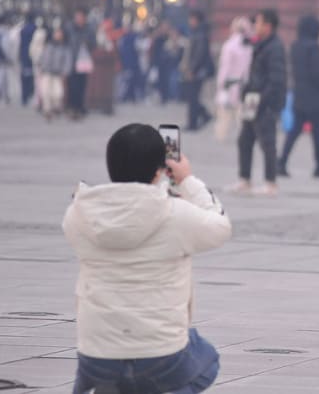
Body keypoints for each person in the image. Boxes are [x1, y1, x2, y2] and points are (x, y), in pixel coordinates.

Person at [63, 123, 231, 393]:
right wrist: (187, 180)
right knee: (206, 359)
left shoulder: (78, 213)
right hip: (160, 357)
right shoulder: (176, 214)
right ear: (160, 169)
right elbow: (220, 227)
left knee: (112, 374)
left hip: (95, 356)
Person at [231, 8, 287, 196]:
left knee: (267, 142)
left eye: (259, 23)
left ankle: (271, 183)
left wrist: (265, 99)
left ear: (268, 26)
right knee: (244, 140)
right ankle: (244, 179)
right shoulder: (261, 44)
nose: (255, 26)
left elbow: (276, 79)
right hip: (252, 98)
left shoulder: (274, 48)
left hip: (264, 101)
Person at [277, 14, 319, 178]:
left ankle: (282, 162)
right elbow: (316, 72)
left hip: (300, 95)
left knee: (294, 131)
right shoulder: (314, 47)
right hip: (315, 98)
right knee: (318, 134)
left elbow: (305, 65)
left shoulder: (296, 46)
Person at [215, 16, 253, 142]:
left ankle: (221, 136)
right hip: (248, 84)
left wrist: (220, 84)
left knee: (224, 114)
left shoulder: (229, 45)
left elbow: (225, 67)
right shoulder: (251, 45)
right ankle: (246, 137)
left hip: (230, 84)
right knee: (245, 116)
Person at [183, 11, 214, 131]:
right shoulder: (198, 33)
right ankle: (197, 120)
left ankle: (194, 122)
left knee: (192, 97)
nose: (190, 22)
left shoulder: (200, 34)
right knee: (193, 97)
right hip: (197, 70)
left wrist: (193, 69)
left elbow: (199, 54)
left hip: (197, 71)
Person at [36, 27, 72, 121]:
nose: (58, 35)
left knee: (58, 93)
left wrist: (65, 72)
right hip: (46, 72)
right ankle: (47, 110)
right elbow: (42, 57)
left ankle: (56, 107)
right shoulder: (48, 45)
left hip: (57, 73)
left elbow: (67, 61)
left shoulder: (64, 47)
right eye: (56, 33)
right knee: (45, 92)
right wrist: (40, 66)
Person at [67, 7, 96, 119]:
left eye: (80, 16)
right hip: (72, 60)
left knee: (81, 86)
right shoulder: (70, 28)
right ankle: (72, 108)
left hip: (83, 62)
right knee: (72, 86)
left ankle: (79, 107)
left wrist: (87, 44)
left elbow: (94, 43)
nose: (78, 19)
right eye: (77, 16)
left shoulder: (89, 29)